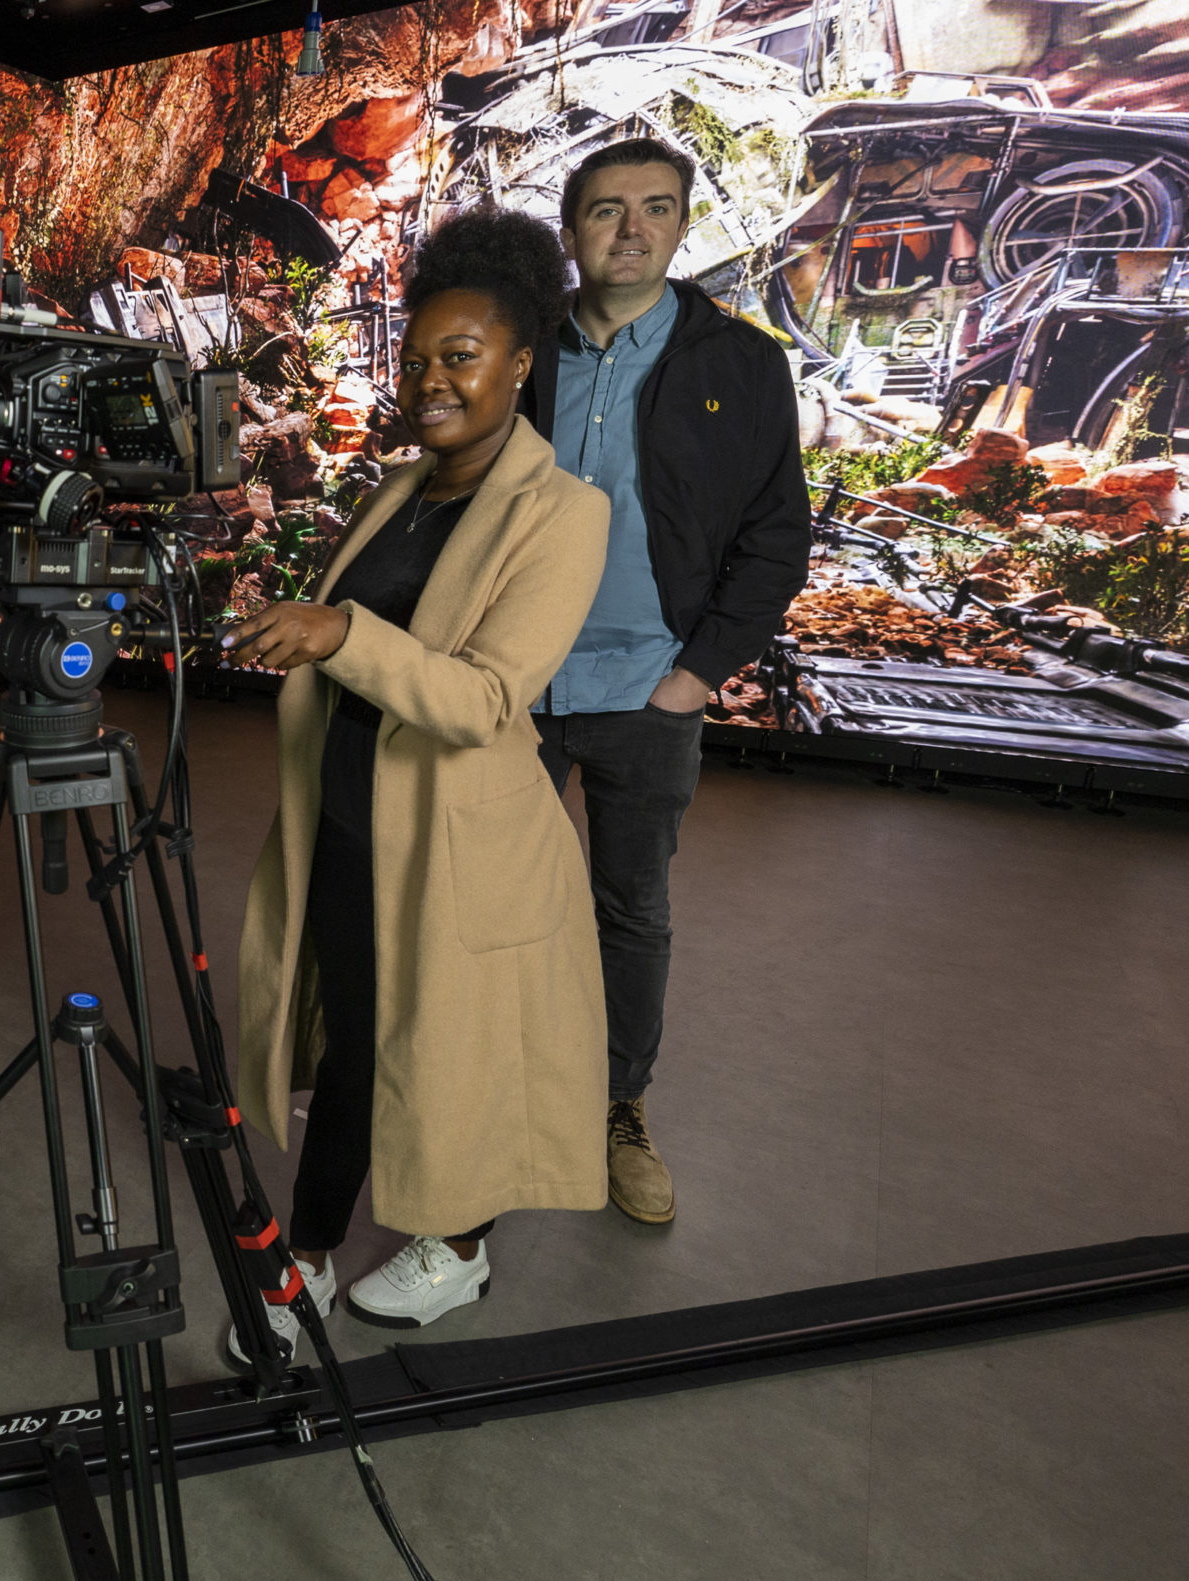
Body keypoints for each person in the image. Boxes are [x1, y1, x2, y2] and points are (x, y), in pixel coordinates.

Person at [226, 207, 612, 1363]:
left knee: (455, 1041)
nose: (432, 379)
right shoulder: (402, 487)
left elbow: (488, 696)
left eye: (463, 356)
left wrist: (339, 629)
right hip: (352, 813)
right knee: (356, 1040)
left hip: (466, 839)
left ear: (521, 363)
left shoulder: (565, 513)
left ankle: (462, 1242)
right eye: (419, 356)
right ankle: (307, 1249)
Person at [519, 137, 810, 1225]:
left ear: (683, 224)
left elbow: (776, 536)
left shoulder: (736, 363)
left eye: (653, 208)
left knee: (628, 909)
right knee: (486, 898)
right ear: (571, 229)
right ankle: (495, 1089)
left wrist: (696, 674)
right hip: (512, 688)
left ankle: (615, 1108)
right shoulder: (518, 351)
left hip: (648, 691)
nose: (629, 229)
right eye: (604, 209)